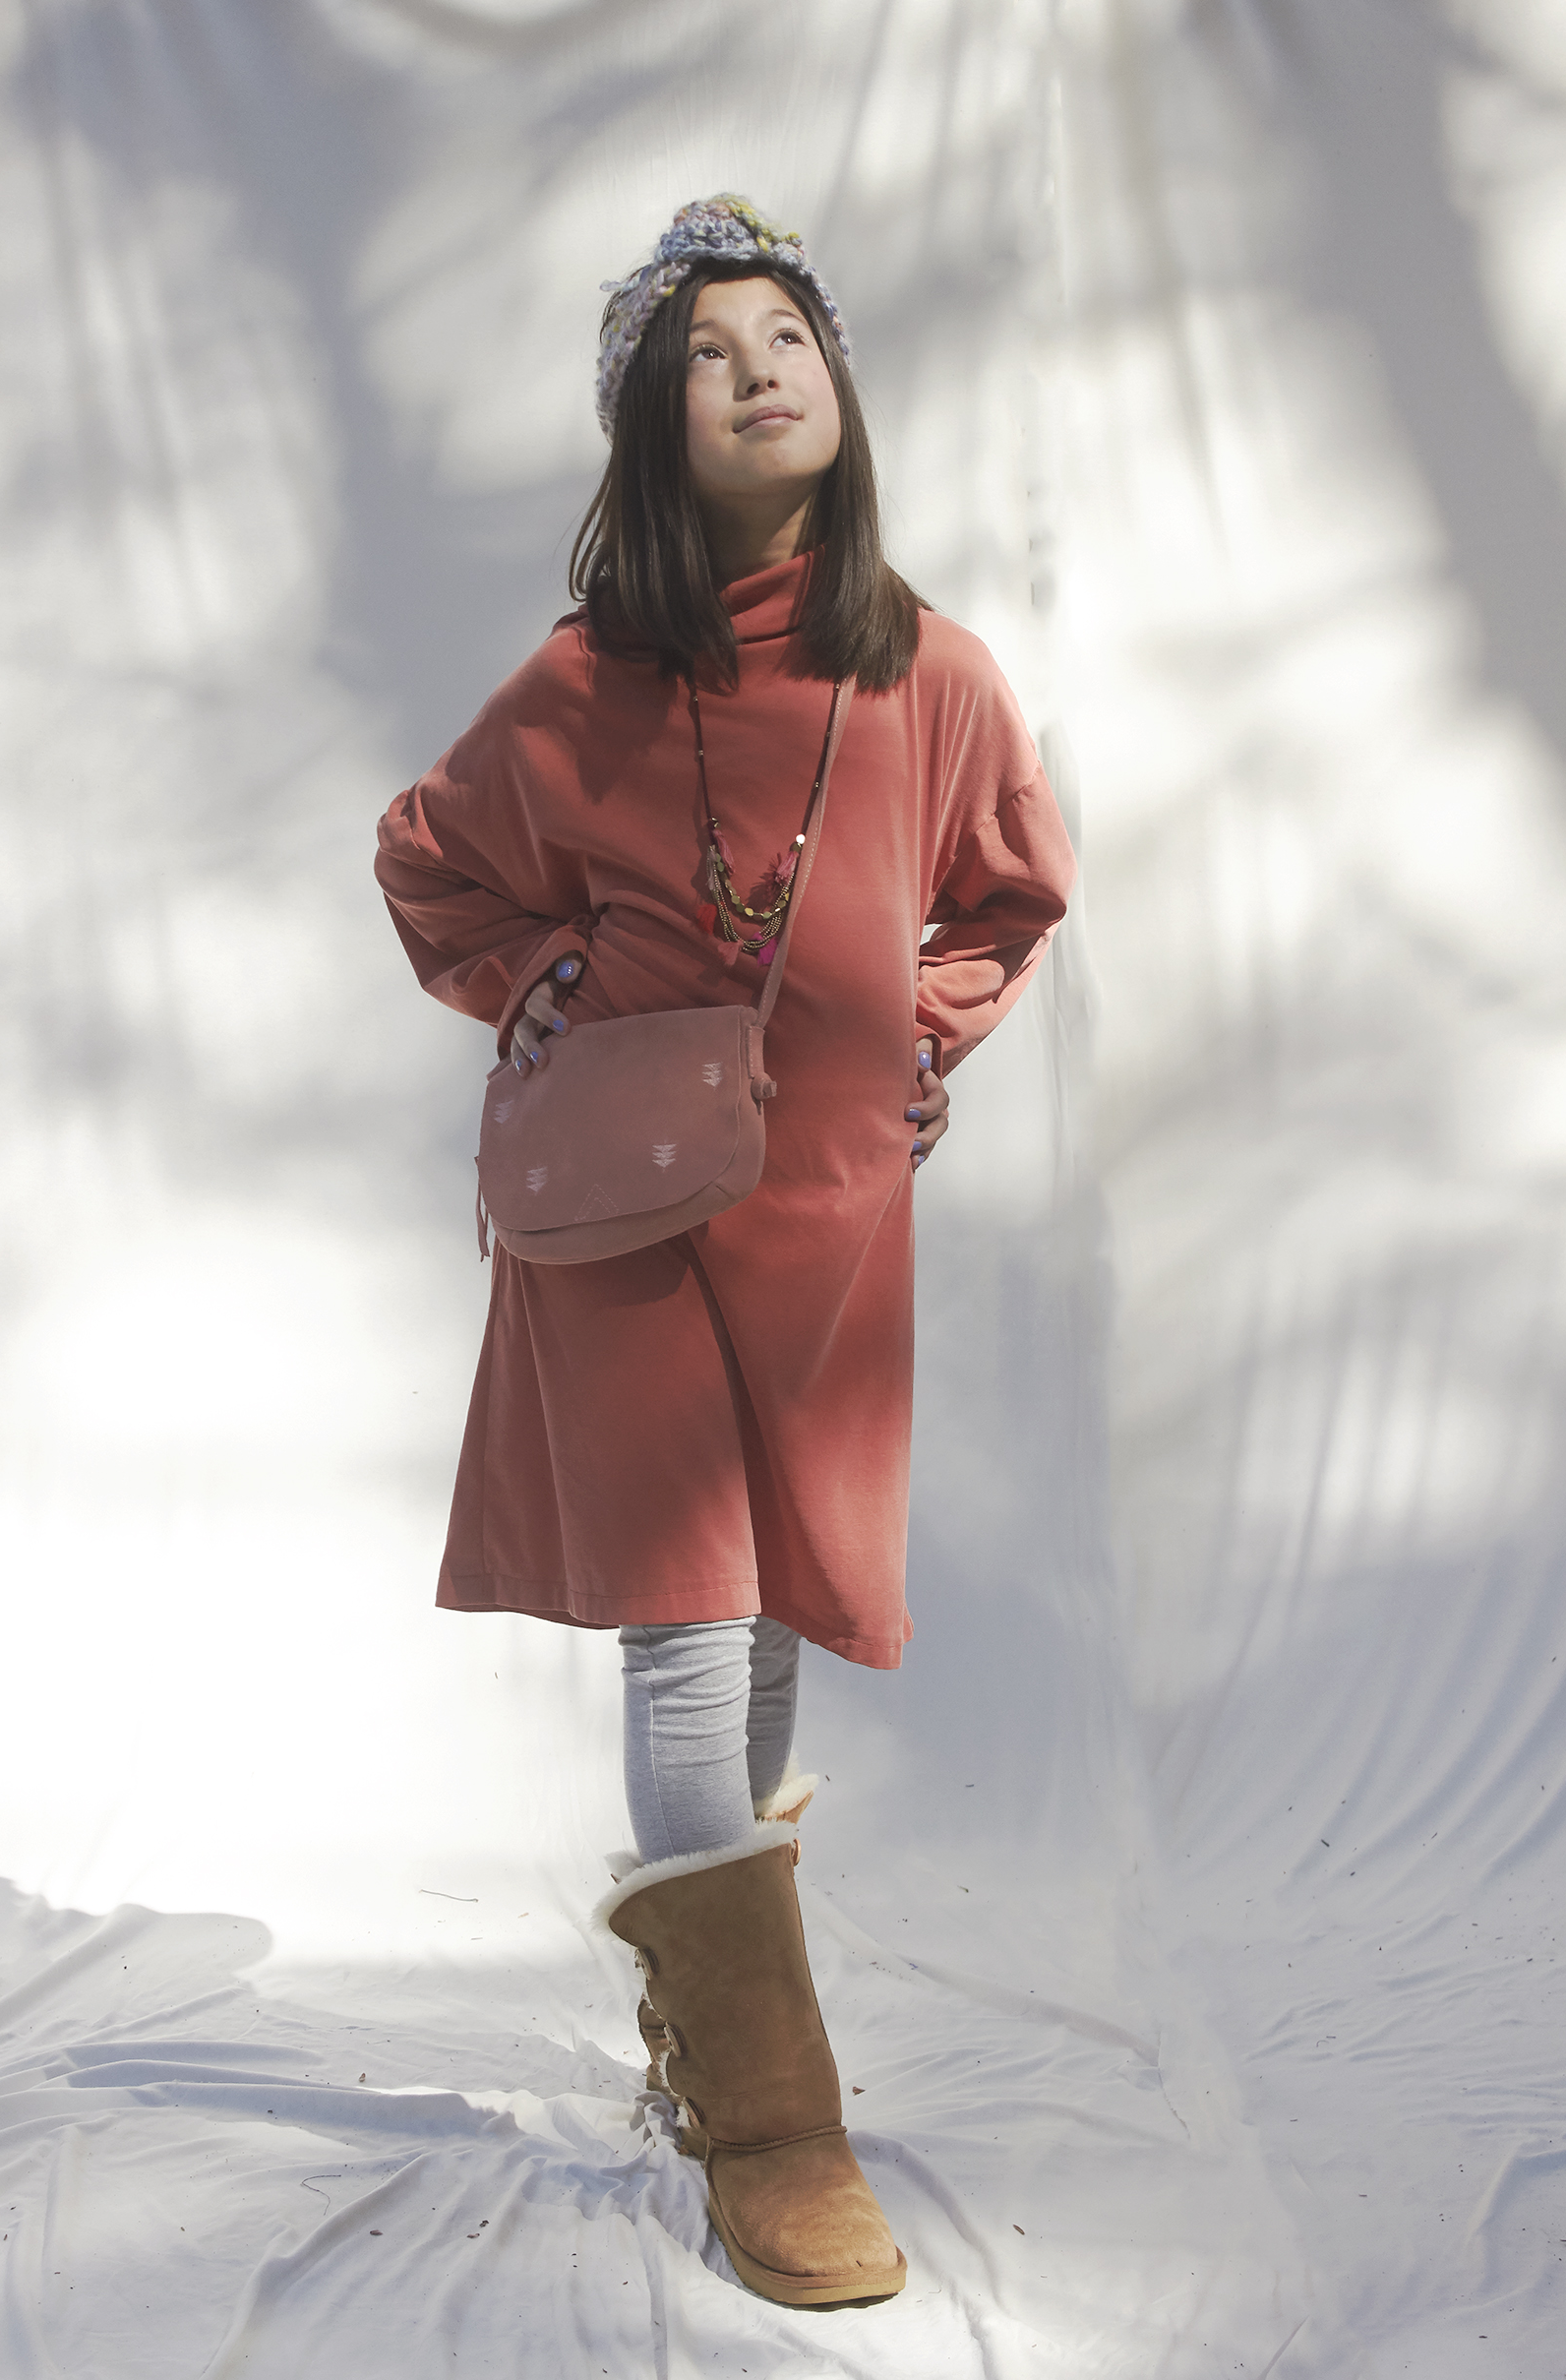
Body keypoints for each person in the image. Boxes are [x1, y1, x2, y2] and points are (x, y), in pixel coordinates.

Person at [375, 194, 1075, 2309]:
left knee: (773, 1603)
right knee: (687, 1617)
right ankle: (775, 2114)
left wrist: (911, 1041)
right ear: (651, 427)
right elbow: (431, 861)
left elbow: (1004, 899)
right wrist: (549, 989)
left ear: (839, 394)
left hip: (829, 1214)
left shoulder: (929, 671)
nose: (764, 365)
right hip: (622, 1219)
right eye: (710, 349)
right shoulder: (584, 685)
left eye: (791, 336)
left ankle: (711, 2038)